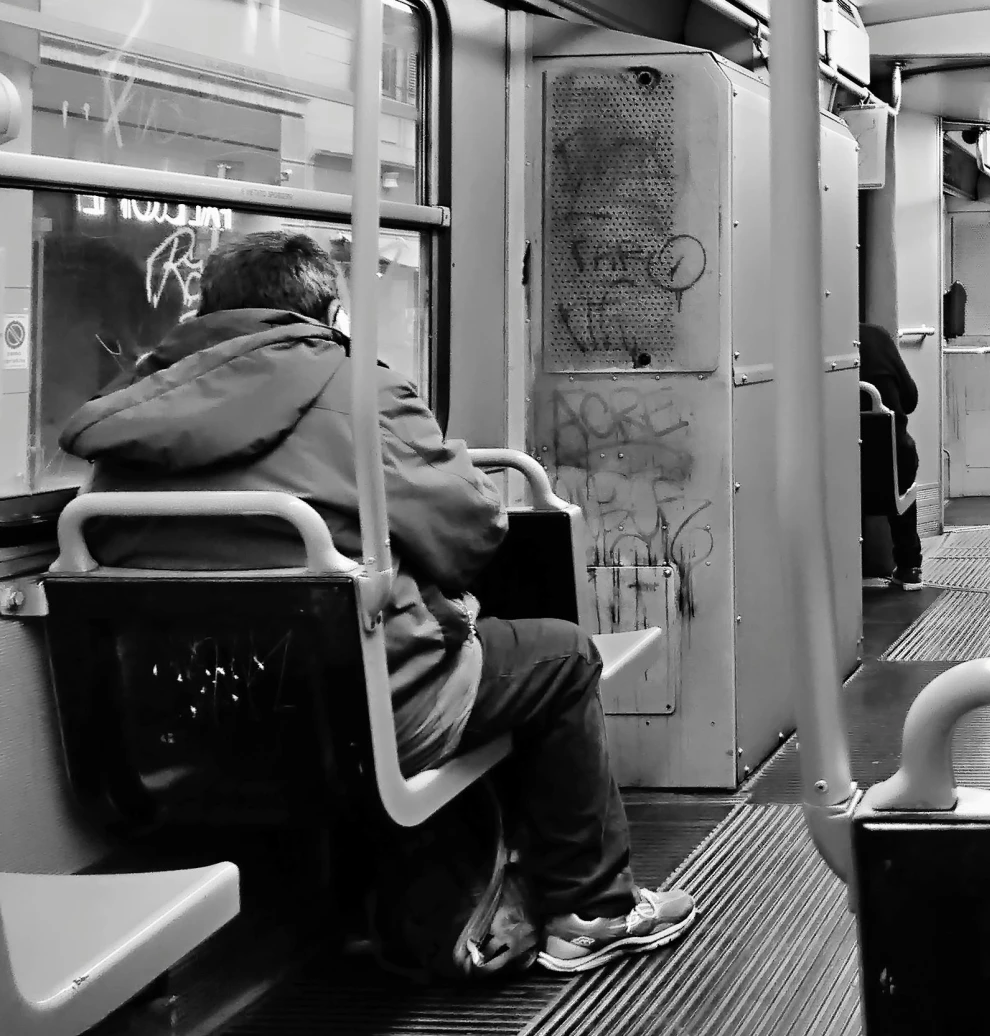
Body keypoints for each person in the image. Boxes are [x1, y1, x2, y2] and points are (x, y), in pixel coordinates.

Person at [59, 231, 696, 975]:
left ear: (211, 310)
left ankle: (442, 895)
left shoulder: (130, 410)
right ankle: (590, 909)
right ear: (328, 313)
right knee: (559, 654)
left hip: (183, 730)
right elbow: (473, 530)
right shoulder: (358, 389)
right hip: (361, 717)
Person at [858, 319, 922, 590]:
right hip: (889, 463)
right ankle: (909, 566)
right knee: (900, 462)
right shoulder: (875, 337)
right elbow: (909, 399)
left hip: (834, 466)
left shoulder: (810, 343)